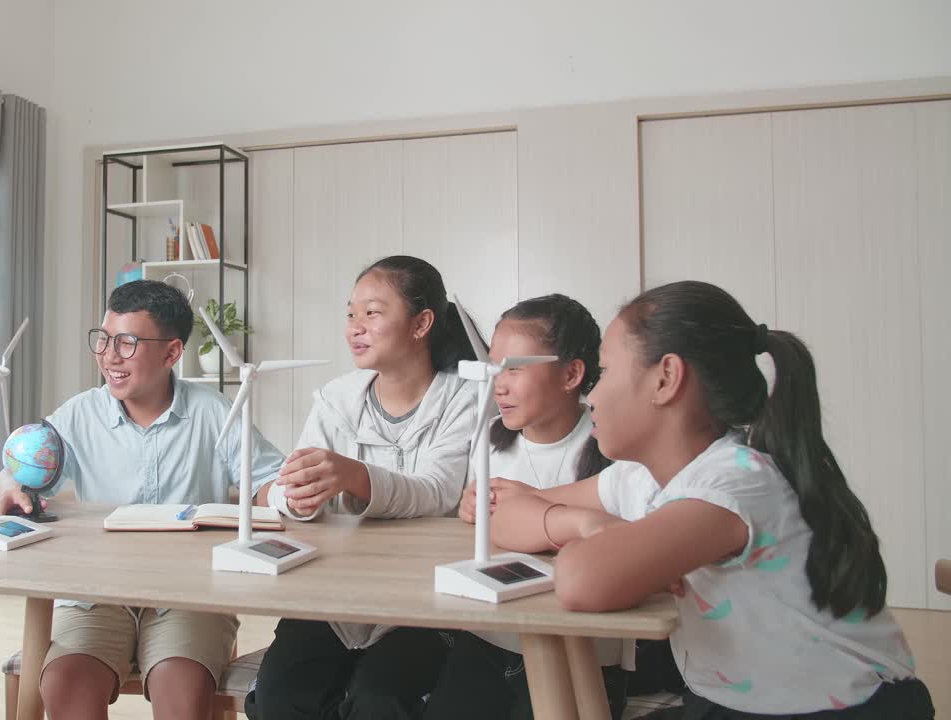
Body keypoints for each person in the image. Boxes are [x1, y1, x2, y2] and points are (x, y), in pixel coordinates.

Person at [493, 280, 934, 719]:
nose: (591, 394)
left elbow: (581, 581)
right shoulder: (641, 478)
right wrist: (587, 524)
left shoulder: (732, 484)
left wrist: (584, 534)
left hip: (840, 710)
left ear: (666, 378)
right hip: (732, 702)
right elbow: (505, 512)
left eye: (605, 371)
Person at [0, 279, 285, 720]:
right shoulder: (78, 414)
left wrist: (287, 491)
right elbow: (24, 465)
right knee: (66, 686)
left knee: (181, 691)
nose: (109, 356)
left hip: (187, 594)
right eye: (103, 340)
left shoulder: (215, 412)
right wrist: (9, 485)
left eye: (127, 343)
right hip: (95, 592)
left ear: (171, 352)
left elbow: (269, 480)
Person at [250, 255, 478, 720]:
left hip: (427, 604)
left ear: (422, 323)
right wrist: (295, 498)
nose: (355, 327)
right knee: (280, 697)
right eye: (351, 313)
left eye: (372, 313)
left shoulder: (466, 398)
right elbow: (294, 487)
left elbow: (437, 491)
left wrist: (354, 476)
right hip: (335, 598)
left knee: (379, 702)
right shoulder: (335, 398)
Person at [425, 293, 628, 719]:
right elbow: (476, 533)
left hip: (581, 646)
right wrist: (469, 510)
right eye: (494, 368)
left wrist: (528, 513)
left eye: (514, 369)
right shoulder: (488, 439)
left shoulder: (612, 444)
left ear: (571, 374)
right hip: (491, 637)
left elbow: (621, 543)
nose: (498, 384)